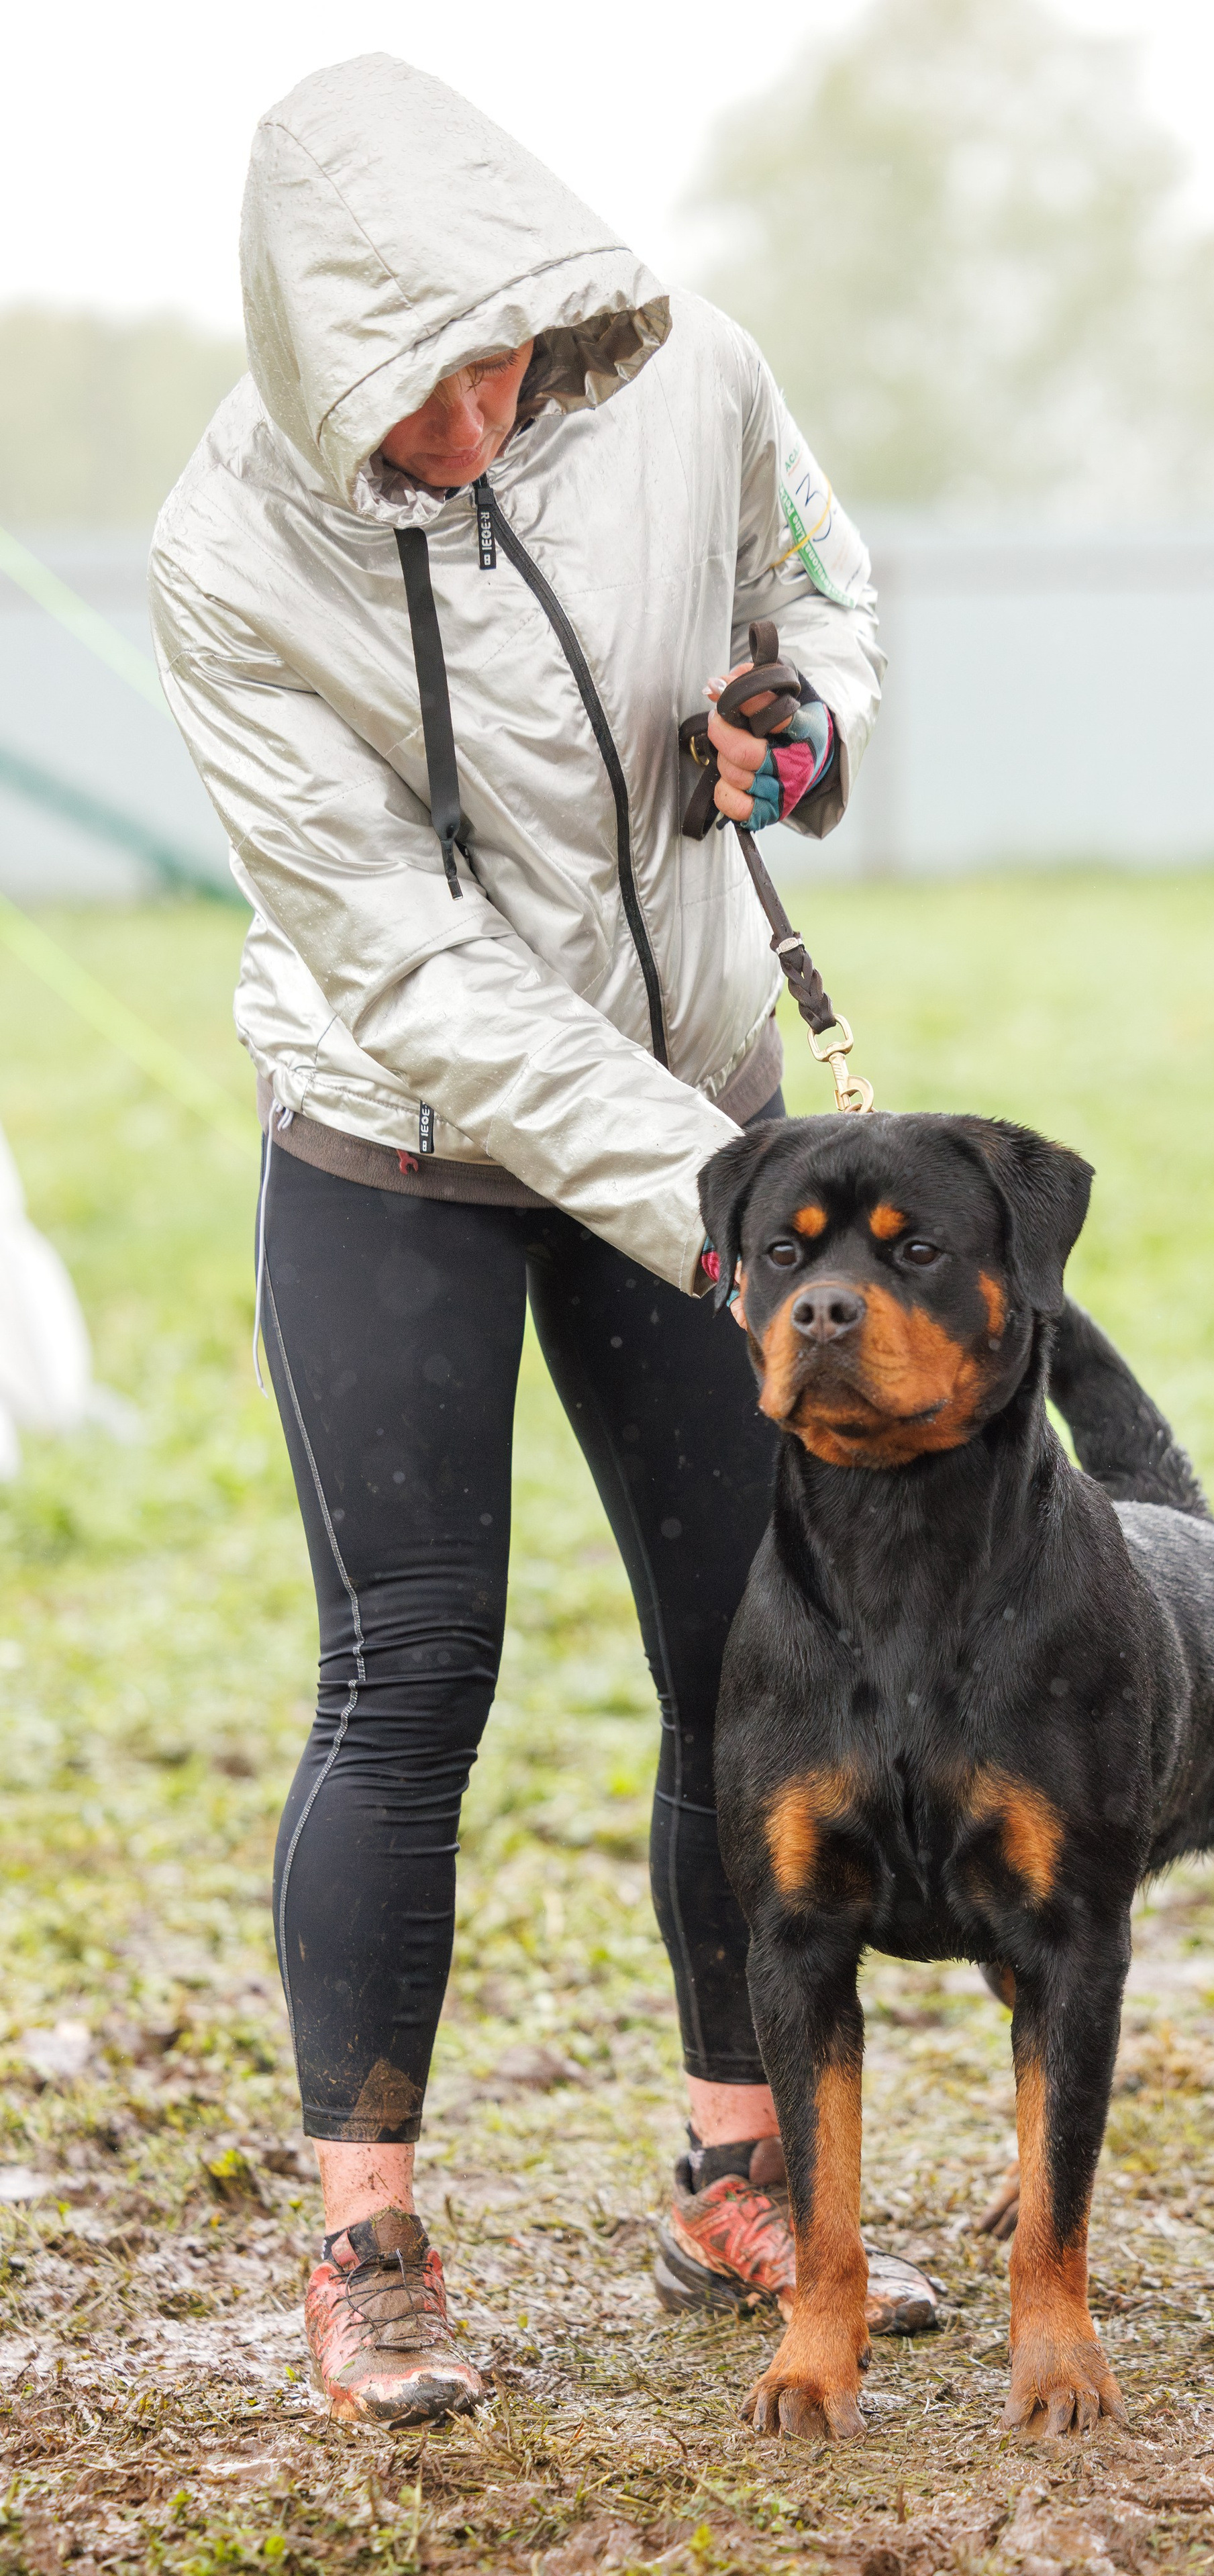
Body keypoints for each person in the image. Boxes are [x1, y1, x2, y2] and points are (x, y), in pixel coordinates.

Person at [150, 53, 934, 2425]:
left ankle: (741, 2167)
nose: (474, 427)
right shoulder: (227, 559)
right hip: (401, 1143)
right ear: (315, 376)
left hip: (698, 1104)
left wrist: (807, 727)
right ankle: (368, 2232)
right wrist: (710, 1201)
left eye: (500, 368)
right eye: (413, 402)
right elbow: (415, 978)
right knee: (414, 1674)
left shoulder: (689, 368)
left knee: (754, 1664)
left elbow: (823, 582)